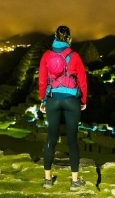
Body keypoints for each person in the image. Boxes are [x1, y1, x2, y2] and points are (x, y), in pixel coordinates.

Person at [38, 25, 87, 190]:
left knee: (51, 139)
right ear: (69, 38)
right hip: (71, 100)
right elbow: (82, 80)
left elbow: (43, 81)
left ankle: (47, 180)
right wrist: (83, 100)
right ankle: (74, 181)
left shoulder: (46, 55)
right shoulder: (74, 56)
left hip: (53, 99)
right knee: (72, 141)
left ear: (55, 36)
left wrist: (43, 101)